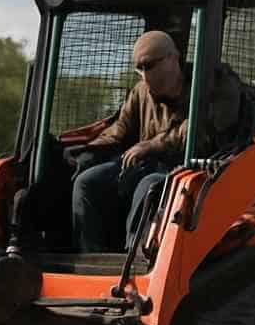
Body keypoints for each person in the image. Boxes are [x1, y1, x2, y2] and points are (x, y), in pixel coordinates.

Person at [68, 30, 187, 252]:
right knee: (86, 181)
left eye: (150, 66)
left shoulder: (203, 85)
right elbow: (119, 129)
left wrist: (150, 145)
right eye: (139, 69)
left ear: (173, 58)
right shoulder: (141, 91)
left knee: (148, 185)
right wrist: (85, 151)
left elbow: (193, 131)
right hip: (142, 165)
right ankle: (90, 258)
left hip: (184, 170)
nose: (144, 75)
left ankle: (133, 260)